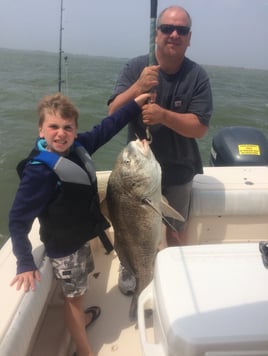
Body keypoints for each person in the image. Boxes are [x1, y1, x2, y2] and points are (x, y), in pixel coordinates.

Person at [9, 92, 149, 356]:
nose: (60, 134)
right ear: (41, 129)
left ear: (74, 131)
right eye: (53, 127)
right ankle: (84, 350)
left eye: (67, 127)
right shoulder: (39, 172)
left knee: (80, 288)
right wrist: (24, 261)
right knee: (74, 300)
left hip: (80, 238)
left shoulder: (79, 146)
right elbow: (17, 219)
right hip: (64, 249)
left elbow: (107, 127)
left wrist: (134, 105)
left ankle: (81, 320)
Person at [108, 6, 213, 294]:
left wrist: (164, 116)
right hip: (137, 173)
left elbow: (200, 128)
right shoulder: (135, 68)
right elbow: (112, 113)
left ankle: (177, 274)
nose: (174, 34)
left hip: (179, 168)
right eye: (167, 28)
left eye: (181, 30)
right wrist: (138, 87)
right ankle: (132, 267)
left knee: (176, 230)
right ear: (157, 33)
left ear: (189, 38)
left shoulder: (197, 76)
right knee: (130, 227)